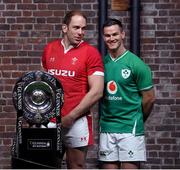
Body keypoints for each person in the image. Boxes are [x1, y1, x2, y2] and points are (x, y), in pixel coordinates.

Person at [41, 10, 104, 169]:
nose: (80, 32)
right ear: (64, 28)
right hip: (49, 119)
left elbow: (97, 91)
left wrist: (71, 116)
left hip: (76, 120)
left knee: (75, 165)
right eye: (76, 28)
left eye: (83, 28)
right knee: (45, 164)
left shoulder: (91, 53)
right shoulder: (49, 49)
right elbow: (42, 85)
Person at [98, 18, 155, 169]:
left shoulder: (137, 64)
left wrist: (137, 118)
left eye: (115, 34)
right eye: (107, 35)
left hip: (130, 128)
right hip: (107, 127)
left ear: (123, 34)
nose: (111, 38)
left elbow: (149, 99)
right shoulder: (101, 64)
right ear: (104, 37)